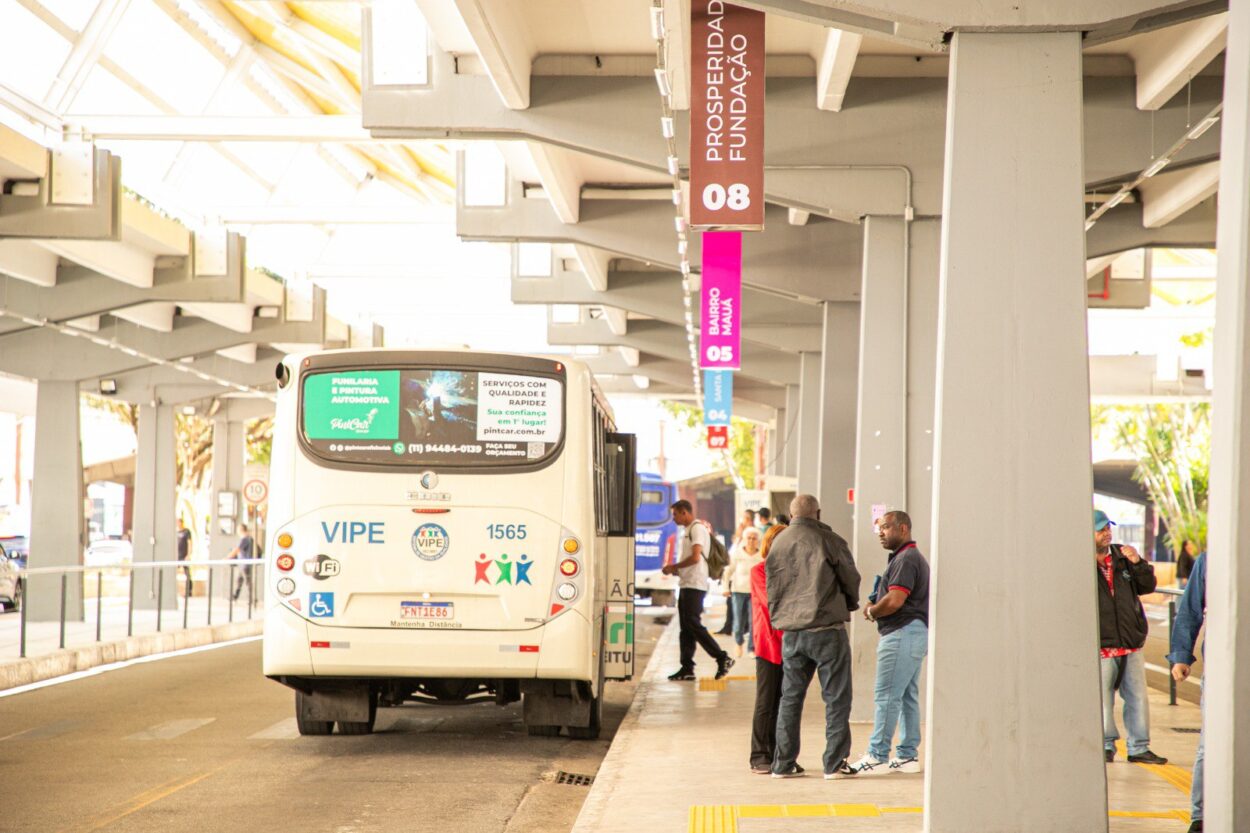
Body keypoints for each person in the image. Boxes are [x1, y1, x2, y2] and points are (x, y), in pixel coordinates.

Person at [766, 494, 861, 779]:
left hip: (792, 634)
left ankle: (782, 764)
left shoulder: (778, 542)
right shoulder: (828, 540)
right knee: (836, 698)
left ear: (792, 515)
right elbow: (850, 578)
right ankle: (834, 764)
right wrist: (850, 603)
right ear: (817, 513)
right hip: (826, 631)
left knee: (790, 699)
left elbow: (772, 585)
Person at [849, 510, 930, 775]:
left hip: (902, 632)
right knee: (907, 696)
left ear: (903, 528)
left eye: (886, 527)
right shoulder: (907, 557)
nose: (881, 533)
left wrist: (872, 611)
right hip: (913, 633)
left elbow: (895, 600)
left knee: (886, 695)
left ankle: (877, 755)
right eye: (879, 529)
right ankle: (907, 755)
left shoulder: (906, 559)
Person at [1094, 509, 1167, 765]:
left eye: (1108, 528)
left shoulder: (1122, 557)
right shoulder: (1081, 562)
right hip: (1101, 645)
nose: (1107, 533)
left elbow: (1147, 586)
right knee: (1101, 699)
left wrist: (1138, 563)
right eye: (1101, 529)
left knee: (1137, 696)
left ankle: (1139, 747)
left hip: (1130, 642)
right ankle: (1104, 745)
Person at [662, 500, 734, 681]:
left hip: (695, 584)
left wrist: (673, 567)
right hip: (687, 583)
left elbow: (695, 558)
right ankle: (687, 667)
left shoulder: (697, 529)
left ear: (684, 512)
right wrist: (678, 570)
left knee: (693, 624)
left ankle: (722, 657)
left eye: (675, 514)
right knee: (686, 628)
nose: (674, 518)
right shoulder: (687, 531)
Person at [1167, 551, 1206, 833]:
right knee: (1211, 743)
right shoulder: (1212, 558)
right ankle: (1201, 816)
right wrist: (1181, 654)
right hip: (1224, 670)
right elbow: (1190, 610)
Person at [749, 521, 788, 774]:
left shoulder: (794, 572)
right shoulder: (759, 571)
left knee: (785, 702)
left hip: (792, 645)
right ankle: (759, 755)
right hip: (768, 644)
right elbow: (772, 602)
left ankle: (779, 754)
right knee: (766, 701)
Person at [724, 527, 763, 657]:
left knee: (754, 622)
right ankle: (738, 643)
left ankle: (752, 648)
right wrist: (725, 588)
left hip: (756, 593)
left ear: (758, 540)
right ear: (745, 539)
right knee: (739, 621)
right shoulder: (737, 554)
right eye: (749, 538)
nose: (751, 541)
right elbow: (728, 571)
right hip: (738, 591)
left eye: (754, 538)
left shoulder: (761, 556)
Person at [230, 523, 256, 603]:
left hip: (245, 564)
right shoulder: (249, 538)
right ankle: (235, 597)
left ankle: (251, 599)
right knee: (239, 581)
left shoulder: (245, 539)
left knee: (247, 582)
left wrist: (228, 557)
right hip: (243, 564)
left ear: (241, 530)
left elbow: (237, 549)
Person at [176, 518, 193, 598]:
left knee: (187, 573)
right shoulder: (176, 532)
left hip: (184, 555)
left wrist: (189, 555)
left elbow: (189, 543)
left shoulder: (186, 532)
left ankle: (189, 590)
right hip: (177, 556)